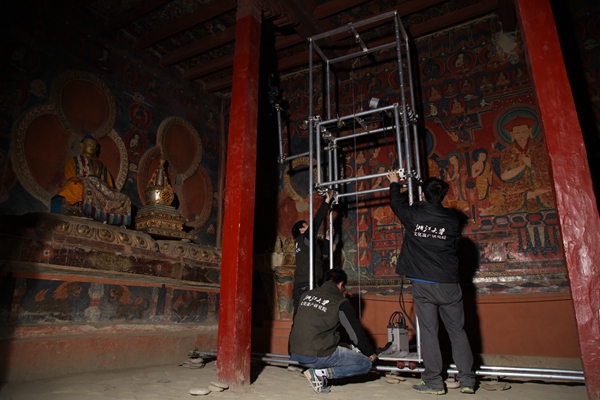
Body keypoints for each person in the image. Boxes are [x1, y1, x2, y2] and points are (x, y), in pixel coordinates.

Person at [386, 172, 476, 395]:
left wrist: (394, 182)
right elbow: (455, 248)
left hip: (424, 284)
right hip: (449, 283)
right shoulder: (452, 220)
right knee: (458, 332)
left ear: (424, 194)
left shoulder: (414, 214)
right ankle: (467, 381)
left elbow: (396, 204)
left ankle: (434, 382)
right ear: (443, 195)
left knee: (429, 332)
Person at [289, 268, 378, 394]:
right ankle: (320, 374)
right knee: (365, 364)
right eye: (343, 287)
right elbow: (356, 335)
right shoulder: (340, 302)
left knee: (340, 343)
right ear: (341, 284)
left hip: (296, 354)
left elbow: (297, 324)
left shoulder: (306, 295)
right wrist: (369, 353)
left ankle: (316, 368)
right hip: (315, 356)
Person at [57, 135, 131, 226]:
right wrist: (86, 181)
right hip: (82, 182)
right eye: (89, 144)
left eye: (94, 146)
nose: (92, 147)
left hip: (100, 187)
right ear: (82, 146)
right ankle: (78, 209)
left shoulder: (101, 165)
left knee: (123, 198)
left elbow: (108, 184)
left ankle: (107, 217)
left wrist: (103, 188)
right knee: (74, 186)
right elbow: (70, 174)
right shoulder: (75, 160)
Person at [291, 190, 333, 316]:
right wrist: (326, 202)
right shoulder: (304, 239)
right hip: (307, 284)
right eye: (306, 227)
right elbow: (317, 221)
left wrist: (327, 240)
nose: (309, 229)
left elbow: (324, 257)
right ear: (302, 230)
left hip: (302, 284)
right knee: (311, 318)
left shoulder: (305, 245)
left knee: (299, 320)